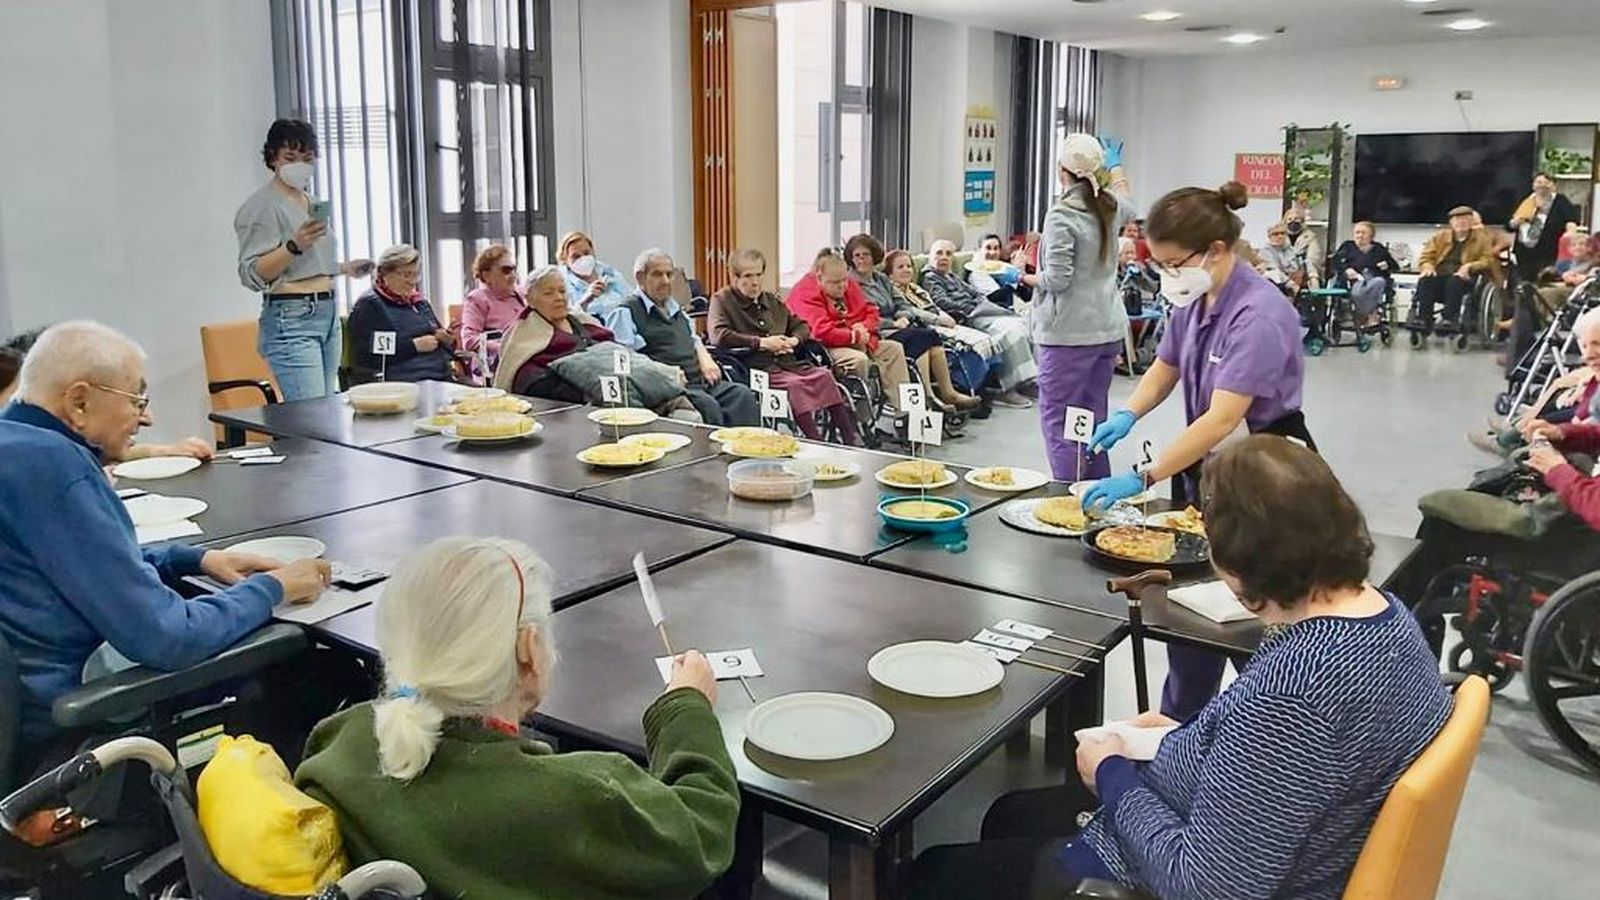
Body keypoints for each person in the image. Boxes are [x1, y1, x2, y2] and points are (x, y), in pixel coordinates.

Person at [907, 436, 1451, 900]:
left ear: (1238, 564)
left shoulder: (1298, 694)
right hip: (1268, 833)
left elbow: (1206, 885)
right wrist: (1187, 737)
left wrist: (1112, 775)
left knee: (934, 874)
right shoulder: (1386, 618)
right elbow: (1283, 762)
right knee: (1011, 814)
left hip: (1170, 874)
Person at [295, 537, 740, 900]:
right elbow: (703, 833)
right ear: (529, 650)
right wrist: (685, 707)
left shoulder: (340, 739)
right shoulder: (578, 797)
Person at [0, 322, 330, 766]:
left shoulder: (15, 446)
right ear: (79, 402)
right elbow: (168, 638)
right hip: (75, 731)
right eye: (137, 399)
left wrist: (194, 558)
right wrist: (275, 589)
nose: (148, 417)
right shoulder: (56, 468)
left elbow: (75, 563)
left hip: (29, 702)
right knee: (314, 668)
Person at [1082, 181, 1311, 721]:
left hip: (1266, 471)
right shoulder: (1194, 295)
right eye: (1157, 264)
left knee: (1250, 620)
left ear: (1215, 250)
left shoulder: (1259, 314)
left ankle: (1259, 734)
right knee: (1189, 613)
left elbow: (1224, 418)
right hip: (1208, 466)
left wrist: (1143, 476)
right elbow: (1166, 366)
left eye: (1171, 262)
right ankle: (1178, 731)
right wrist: (1127, 412)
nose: (1166, 275)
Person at [234, 118, 374, 400]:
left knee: (326, 412)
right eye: (290, 157)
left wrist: (344, 268)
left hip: (327, 313)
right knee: (310, 418)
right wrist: (293, 245)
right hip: (293, 316)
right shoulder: (262, 206)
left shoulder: (311, 202)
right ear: (272, 158)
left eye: (307, 158)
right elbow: (252, 273)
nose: (300, 165)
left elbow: (304, 265)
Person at [1032, 133, 1136, 482]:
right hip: (1107, 331)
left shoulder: (1062, 215)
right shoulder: (1109, 206)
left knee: (1060, 421)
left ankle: (1067, 503)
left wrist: (1025, 275)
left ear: (1063, 171)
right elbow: (1129, 201)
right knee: (1091, 417)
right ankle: (1095, 495)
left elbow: (1057, 280)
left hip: (1068, 336)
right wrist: (1116, 165)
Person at [707, 249, 862, 444]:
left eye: (758, 275)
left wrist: (793, 340)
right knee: (794, 386)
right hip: (755, 367)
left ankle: (851, 438)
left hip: (788, 363)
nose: (755, 282)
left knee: (824, 376)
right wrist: (762, 343)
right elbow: (719, 336)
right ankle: (815, 441)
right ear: (734, 277)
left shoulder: (770, 300)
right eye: (748, 276)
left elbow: (801, 326)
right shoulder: (722, 300)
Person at [605, 249, 760, 427]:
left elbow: (693, 339)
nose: (665, 281)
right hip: (667, 386)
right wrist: (664, 372)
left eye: (669, 274)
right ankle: (716, 454)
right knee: (707, 406)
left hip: (698, 380)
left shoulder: (675, 308)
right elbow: (625, 360)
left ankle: (746, 452)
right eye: (657, 274)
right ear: (640, 277)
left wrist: (706, 359)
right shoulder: (625, 312)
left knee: (742, 396)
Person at [847, 234, 979, 414]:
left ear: (874, 256)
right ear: (851, 258)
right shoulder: (850, 284)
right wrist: (892, 323)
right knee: (922, 338)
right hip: (879, 331)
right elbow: (861, 316)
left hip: (900, 325)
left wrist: (903, 318)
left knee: (930, 337)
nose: (861, 259)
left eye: (866, 255)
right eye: (857, 255)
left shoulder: (881, 279)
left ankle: (948, 392)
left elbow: (903, 304)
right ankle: (929, 396)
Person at [787, 250, 913, 418]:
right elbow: (820, 331)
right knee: (858, 360)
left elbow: (871, 311)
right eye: (835, 283)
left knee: (894, 349)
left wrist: (862, 326)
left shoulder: (847, 283)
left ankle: (904, 415)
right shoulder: (805, 292)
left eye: (844, 280)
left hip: (857, 337)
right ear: (819, 278)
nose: (843, 287)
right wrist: (854, 336)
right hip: (824, 347)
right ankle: (863, 421)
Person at [921, 239, 1037, 408]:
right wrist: (973, 306)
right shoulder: (931, 278)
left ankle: (1025, 381)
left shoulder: (951, 276)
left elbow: (974, 293)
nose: (944, 257)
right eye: (939, 253)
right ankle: (1007, 390)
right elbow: (941, 302)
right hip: (968, 317)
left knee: (1025, 324)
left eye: (948, 254)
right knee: (1012, 331)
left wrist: (980, 302)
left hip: (982, 310)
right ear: (930, 257)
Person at [884, 249, 996, 416]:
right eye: (900, 267)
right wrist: (939, 320)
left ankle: (971, 391)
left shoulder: (915, 288)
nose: (906, 270)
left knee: (984, 339)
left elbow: (933, 306)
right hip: (921, 325)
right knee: (960, 346)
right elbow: (913, 311)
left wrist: (945, 316)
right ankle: (946, 393)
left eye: (909, 266)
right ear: (889, 273)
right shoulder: (893, 289)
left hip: (937, 322)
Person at [494, 266, 616, 401]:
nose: (559, 297)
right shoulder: (522, 337)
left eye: (562, 291)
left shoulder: (584, 321)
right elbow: (526, 379)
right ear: (530, 300)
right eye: (548, 293)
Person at [347, 245, 457, 384]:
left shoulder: (419, 302)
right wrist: (414, 346)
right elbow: (365, 356)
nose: (412, 281)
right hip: (405, 382)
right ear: (383, 273)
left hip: (441, 377)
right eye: (405, 274)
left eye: (415, 274)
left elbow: (444, 344)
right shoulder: (369, 305)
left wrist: (447, 340)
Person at [1410, 205, 1497, 337]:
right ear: (1451, 223)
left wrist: (1470, 266)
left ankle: (1449, 320)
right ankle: (1423, 319)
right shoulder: (1440, 237)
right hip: (1440, 276)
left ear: (1471, 222)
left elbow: (1488, 260)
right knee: (1426, 279)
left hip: (1465, 279)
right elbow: (1426, 256)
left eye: (1465, 220)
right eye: (1457, 220)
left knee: (1454, 280)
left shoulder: (1482, 239)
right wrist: (1428, 266)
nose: (1461, 223)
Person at [461, 244, 528, 378]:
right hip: (496, 365)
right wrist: (503, 347)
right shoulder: (478, 299)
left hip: (526, 356)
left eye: (514, 269)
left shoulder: (523, 294)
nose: (513, 275)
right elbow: (469, 340)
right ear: (486, 276)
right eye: (506, 270)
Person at [1509, 172, 1581, 285]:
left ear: (1553, 186)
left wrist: (1571, 234)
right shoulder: (1526, 200)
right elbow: (1510, 224)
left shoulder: (1560, 200)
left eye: (1546, 182)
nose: (1542, 185)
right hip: (1524, 250)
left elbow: (1571, 220)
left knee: (1545, 281)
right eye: (1539, 182)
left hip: (1549, 251)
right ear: (1533, 185)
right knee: (1525, 284)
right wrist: (1514, 223)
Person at [1330, 221, 1398, 325]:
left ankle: (1364, 314)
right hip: (1354, 281)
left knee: (1379, 282)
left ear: (1371, 236)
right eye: (1357, 232)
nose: (1360, 235)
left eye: (1363, 233)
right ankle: (1369, 314)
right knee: (1357, 292)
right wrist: (1346, 269)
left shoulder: (1379, 248)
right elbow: (1335, 262)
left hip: (1374, 281)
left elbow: (1395, 266)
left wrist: (1387, 264)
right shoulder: (1348, 246)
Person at [557, 230, 632, 317]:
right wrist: (586, 299)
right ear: (565, 260)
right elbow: (565, 318)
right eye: (576, 256)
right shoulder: (562, 284)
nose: (583, 259)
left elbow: (631, 301)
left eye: (586, 253)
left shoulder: (610, 274)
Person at [970, 233, 1035, 309]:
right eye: (988, 248)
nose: (992, 252)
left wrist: (1021, 271)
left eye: (996, 248)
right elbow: (1001, 298)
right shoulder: (978, 274)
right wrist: (1015, 274)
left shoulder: (1004, 269)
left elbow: (1028, 296)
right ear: (979, 250)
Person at [1255, 222, 1307, 295]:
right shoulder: (1265, 252)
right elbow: (1274, 271)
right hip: (1277, 287)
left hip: (1296, 283)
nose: (1280, 236)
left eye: (1283, 233)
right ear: (1269, 236)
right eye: (1276, 234)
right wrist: (1291, 284)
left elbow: (1299, 267)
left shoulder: (1292, 250)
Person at [1281, 206, 1323, 288]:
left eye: (1296, 219)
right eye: (1290, 219)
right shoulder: (1280, 237)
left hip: (1304, 274)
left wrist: (1313, 277)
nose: (1293, 221)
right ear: (1285, 222)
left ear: (1302, 221)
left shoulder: (1310, 237)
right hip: (1284, 273)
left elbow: (1312, 259)